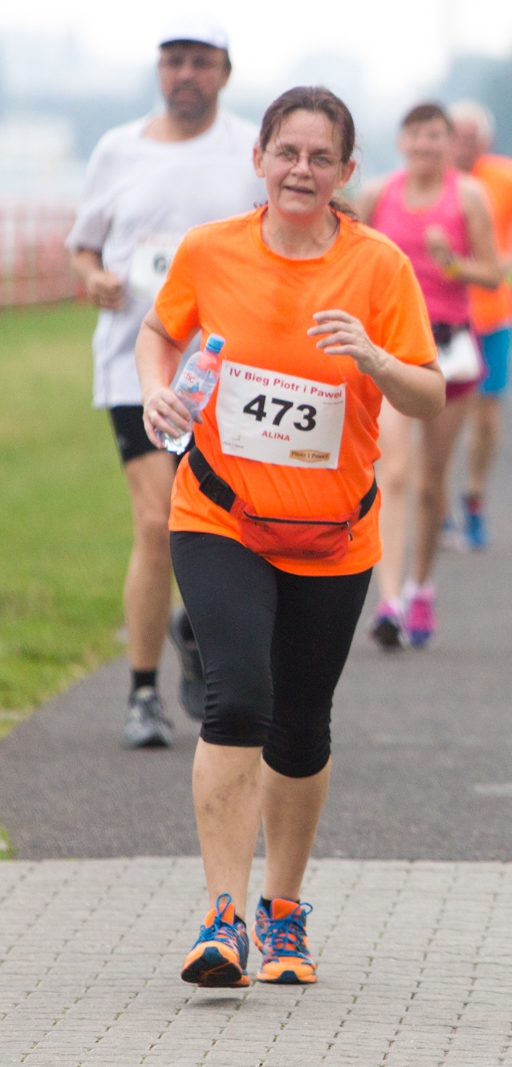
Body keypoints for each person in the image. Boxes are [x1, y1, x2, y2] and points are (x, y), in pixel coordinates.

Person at [135, 86, 444, 988]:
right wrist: (160, 387)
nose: (300, 170)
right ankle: (222, 915)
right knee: (240, 699)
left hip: (333, 533)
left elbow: (426, 392)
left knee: (302, 725)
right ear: (260, 159)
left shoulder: (379, 266)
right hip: (221, 512)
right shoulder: (211, 250)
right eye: (287, 153)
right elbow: (161, 331)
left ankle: (283, 909)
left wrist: (375, 358)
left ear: (347, 173)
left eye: (321, 158)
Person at [65, 17, 262, 747]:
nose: (187, 74)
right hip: (134, 363)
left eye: (201, 62)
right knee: (157, 522)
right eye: (175, 61)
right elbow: (82, 247)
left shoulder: (249, 153)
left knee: (224, 525)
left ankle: (196, 628)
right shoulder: (118, 149)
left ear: (224, 73)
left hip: (225, 370)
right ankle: (142, 692)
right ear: (159, 70)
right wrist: (95, 278)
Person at [354, 104, 502, 648]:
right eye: (415, 134)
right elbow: (353, 263)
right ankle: (388, 601)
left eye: (435, 135)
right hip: (392, 349)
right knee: (393, 473)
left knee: (432, 480)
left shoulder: (467, 197)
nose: (424, 144)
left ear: (448, 142)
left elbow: (494, 273)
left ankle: (420, 586)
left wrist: (454, 264)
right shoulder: (378, 196)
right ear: (401, 141)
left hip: (449, 352)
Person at [449, 100, 512, 550]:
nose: (461, 143)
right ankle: (434, 503)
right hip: (442, 318)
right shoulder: (430, 179)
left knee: (486, 416)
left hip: (493, 313)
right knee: (437, 417)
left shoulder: (507, 177)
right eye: (454, 134)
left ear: (485, 140)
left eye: (470, 136)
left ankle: (473, 496)